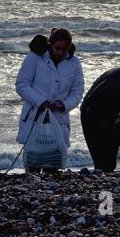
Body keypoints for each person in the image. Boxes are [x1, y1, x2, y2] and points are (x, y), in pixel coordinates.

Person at [15, 28, 85, 173]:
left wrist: (64, 105)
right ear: (50, 44)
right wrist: (40, 101)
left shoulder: (74, 63)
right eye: (57, 48)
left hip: (59, 117)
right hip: (35, 114)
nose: (60, 52)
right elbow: (21, 85)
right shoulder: (34, 58)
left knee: (53, 162)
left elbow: (77, 92)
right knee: (33, 161)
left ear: (69, 47)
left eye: (64, 49)